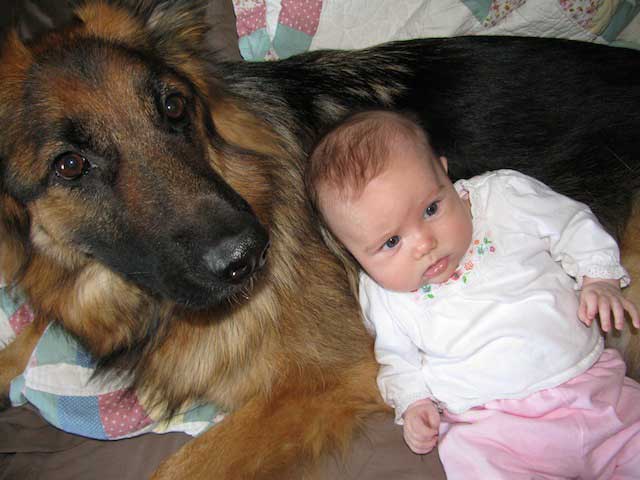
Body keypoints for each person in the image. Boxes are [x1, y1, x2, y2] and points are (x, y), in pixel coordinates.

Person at [305, 109, 640, 479]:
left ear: (444, 173)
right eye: (391, 242)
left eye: (431, 209)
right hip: (495, 430)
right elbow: (398, 359)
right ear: (354, 253)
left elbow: (571, 224)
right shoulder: (384, 294)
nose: (424, 244)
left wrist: (598, 278)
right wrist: (414, 403)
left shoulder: (504, 199)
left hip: (593, 390)